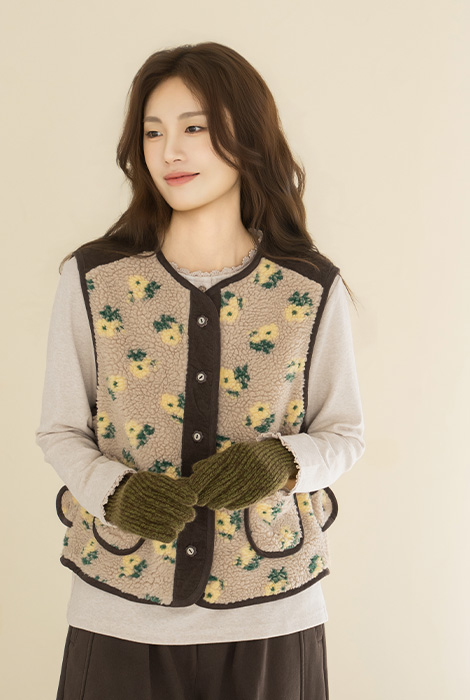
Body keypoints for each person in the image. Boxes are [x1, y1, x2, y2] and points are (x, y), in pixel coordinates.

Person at [35, 41, 365, 700]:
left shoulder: (309, 287)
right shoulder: (94, 280)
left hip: (273, 609)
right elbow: (60, 431)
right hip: (118, 608)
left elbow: (344, 435)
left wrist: (282, 462)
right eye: (153, 132)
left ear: (249, 138)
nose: (170, 152)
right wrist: (114, 492)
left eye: (194, 128)